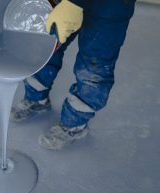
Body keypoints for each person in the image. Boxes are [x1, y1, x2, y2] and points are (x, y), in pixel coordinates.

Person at [10, 0, 136, 150]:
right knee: (46, 46)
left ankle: (74, 124)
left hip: (111, 5)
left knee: (94, 67)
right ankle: (37, 100)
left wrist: (74, 2)